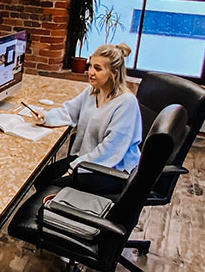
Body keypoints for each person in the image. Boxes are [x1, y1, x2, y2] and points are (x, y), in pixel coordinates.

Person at [32, 43, 142, 195]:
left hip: (112, 170)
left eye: (98, 68)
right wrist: (46, 116)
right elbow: (70, 112)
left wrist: (74, 168)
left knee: (53, 185)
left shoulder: (126, 103)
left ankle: (58, 212)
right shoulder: (92, 92)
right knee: (43, 177)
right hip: (88, 160)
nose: (90, 72)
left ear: (114, 73)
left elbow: (110, 151)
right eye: (91, 66)